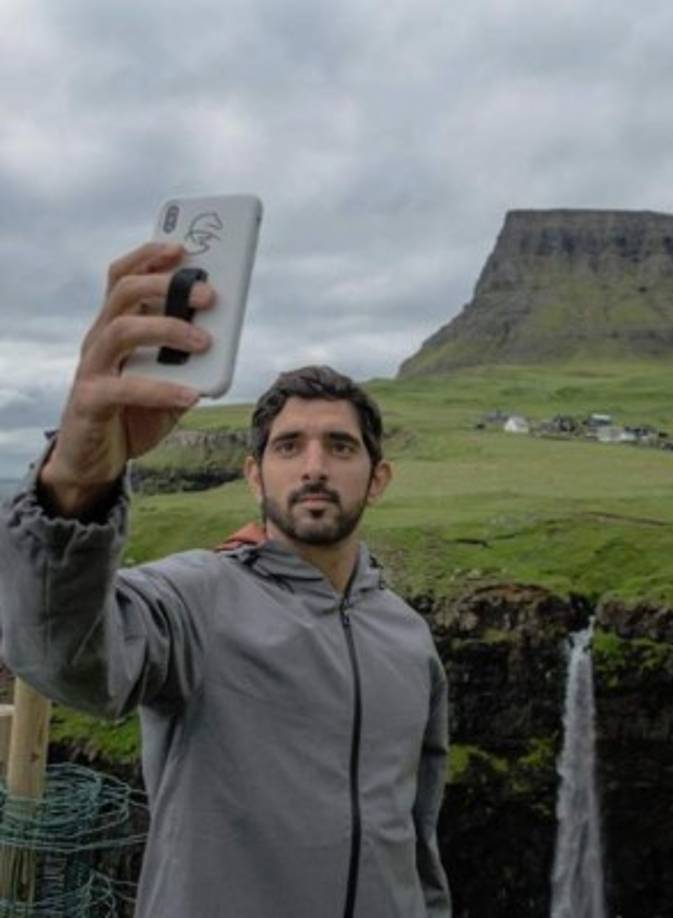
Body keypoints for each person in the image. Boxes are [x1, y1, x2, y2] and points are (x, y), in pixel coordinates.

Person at [0, 242, 451, 917]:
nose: (314, 467)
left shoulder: (409, 638)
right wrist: (76, 484)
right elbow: (62, 659)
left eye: (340, 446)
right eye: (289, 446)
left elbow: (416, 839)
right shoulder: (194, 600)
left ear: (377, 478)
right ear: (254, 477)